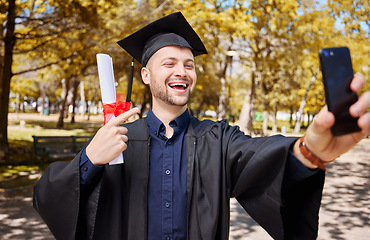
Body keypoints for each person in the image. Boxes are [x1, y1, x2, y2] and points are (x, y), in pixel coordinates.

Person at [33, 12, 370, 240]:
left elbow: (261, 156)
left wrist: (308, 153)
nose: (182, 71)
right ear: (146, 76)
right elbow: (50, 197)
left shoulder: (217, 139)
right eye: (169, 63)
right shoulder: (116, 141)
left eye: (188, 64)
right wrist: (91, 158)